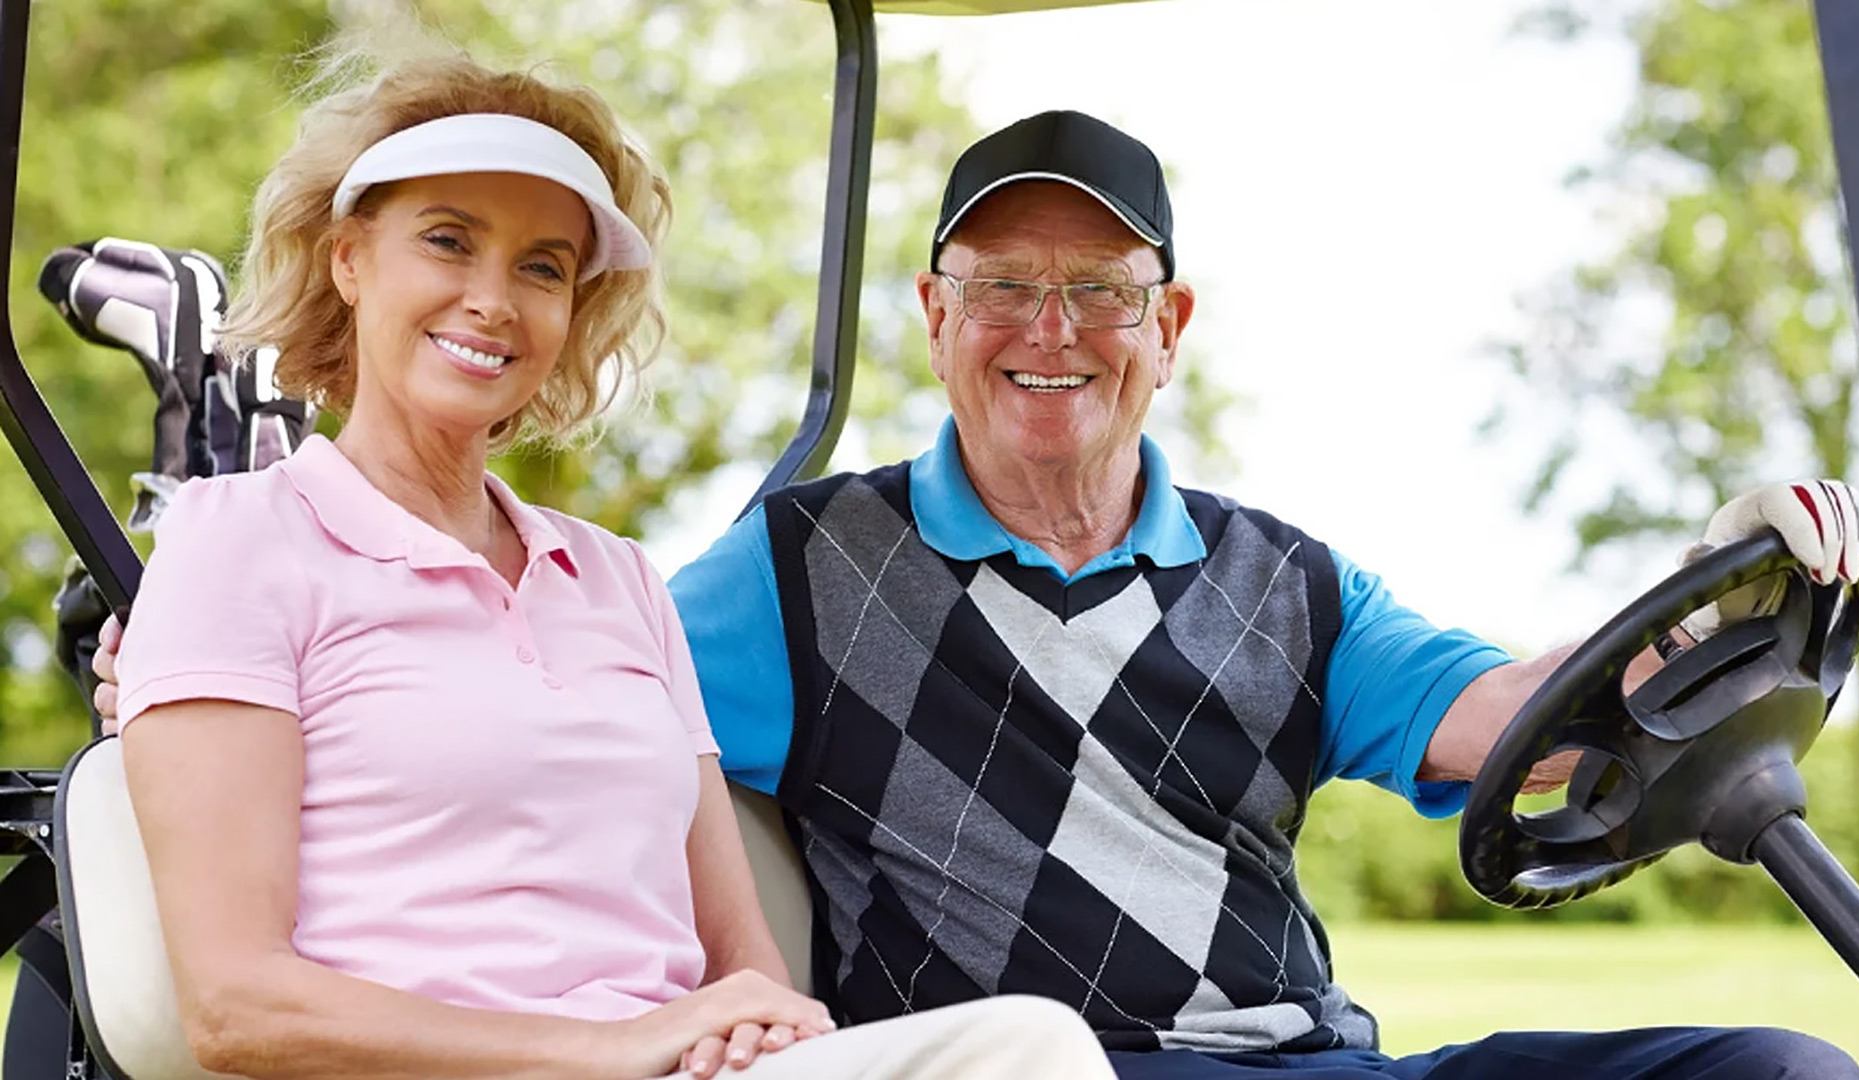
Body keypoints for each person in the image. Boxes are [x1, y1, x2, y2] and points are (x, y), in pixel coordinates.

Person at [94, 111, 1859, 1078]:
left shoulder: (1294, 585)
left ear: (1168, 329)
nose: (1051, 332)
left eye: (1099, 290)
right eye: (1002, 286)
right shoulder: (794, 574)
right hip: (1042, 1068)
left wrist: (1702, 614)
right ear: (935, 320)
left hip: (1320, 1061)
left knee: (1773, 1076)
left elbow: (1529, 726)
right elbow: (497, 731)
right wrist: (173, 667)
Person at [92, 47, 1113, 1080]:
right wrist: (605, 1050)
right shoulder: (238, 542)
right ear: (349, 258)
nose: (494, 300)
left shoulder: (617, 579)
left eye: (543, 267)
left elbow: (743, 963)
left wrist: (746, 1034)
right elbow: (235, 1009)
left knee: (1027, 1043)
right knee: (1029, 1052)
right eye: (449, 242)